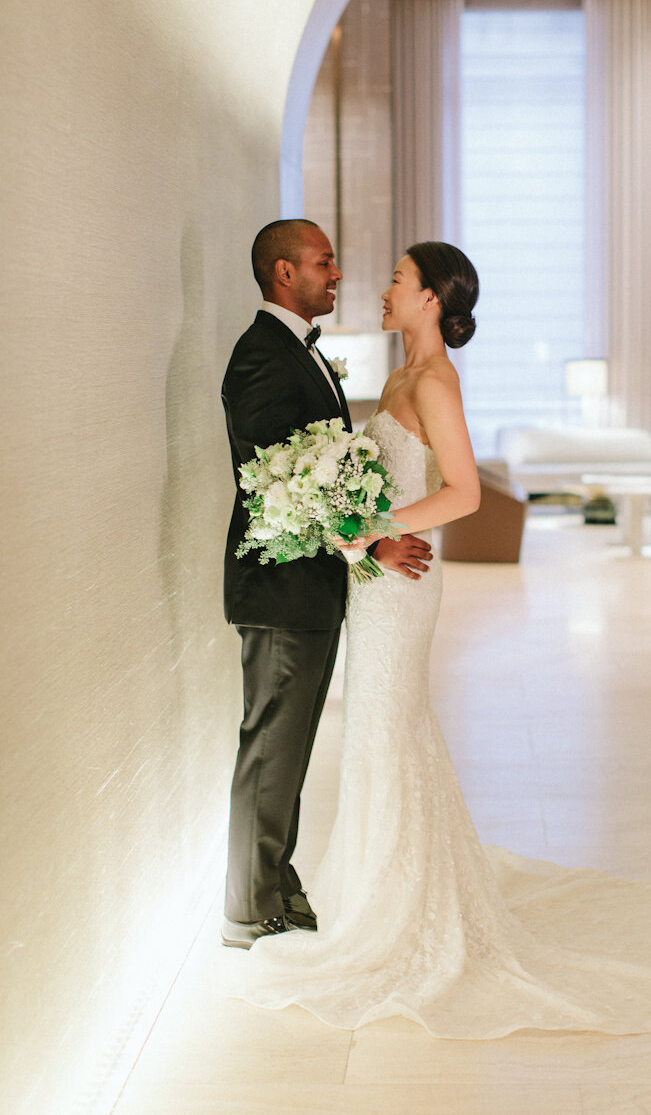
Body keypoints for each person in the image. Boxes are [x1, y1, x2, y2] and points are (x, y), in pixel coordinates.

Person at [230, 240, 651, 1036]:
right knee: (383, 734)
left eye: (397, 280)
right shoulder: (397, 378)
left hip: (401, 585)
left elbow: (460, 494)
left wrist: (373, 526)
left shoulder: (436, 382)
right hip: (374, 581)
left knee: (387, 728)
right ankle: (381, 896)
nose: (381, 288)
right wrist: (356, 526)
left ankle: (400, 916)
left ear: (430, 300)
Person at [220, 219, 432, 948]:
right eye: (324, 261)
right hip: (280, 590)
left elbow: (321, 474)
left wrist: (367, 540)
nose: (337, 274)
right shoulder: (261, 358)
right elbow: (291, 484)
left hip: (307, 590)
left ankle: (275, 884)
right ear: (284, 274)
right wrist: (376, 540)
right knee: (272, 746)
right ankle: (250, 908)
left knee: (291, 746)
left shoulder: (296, 353)